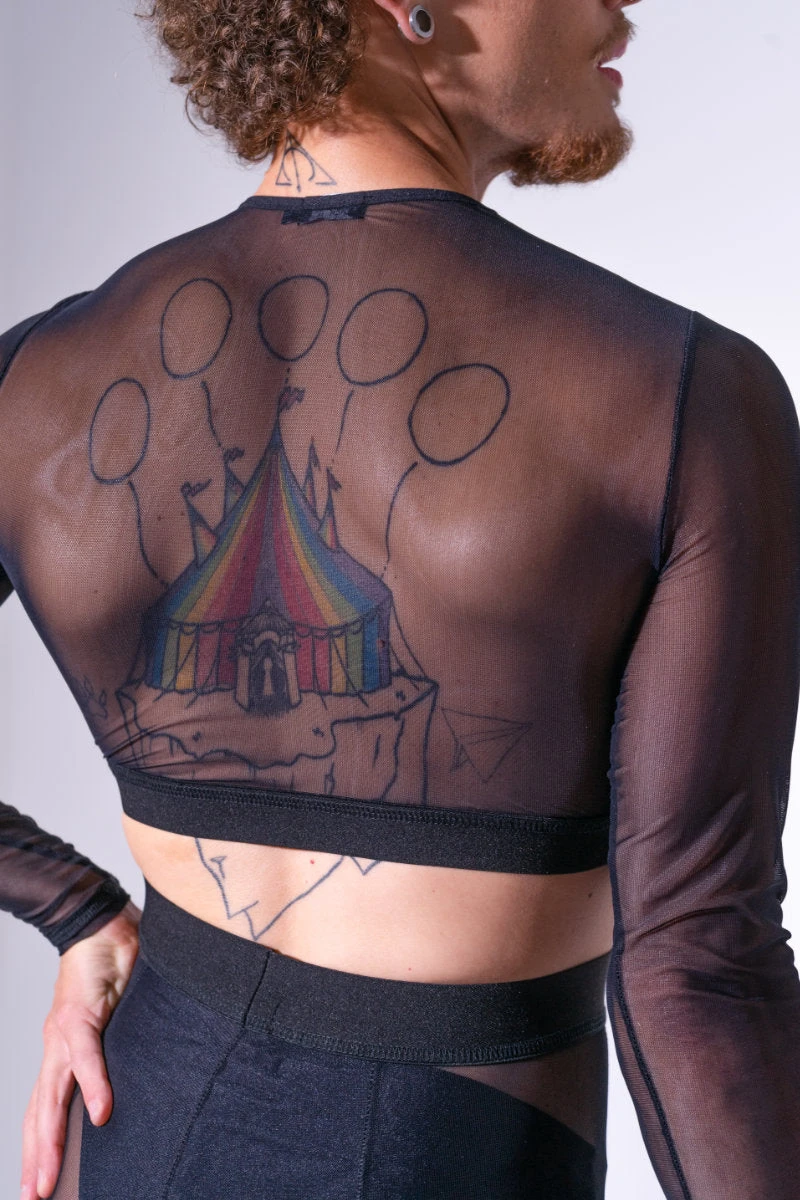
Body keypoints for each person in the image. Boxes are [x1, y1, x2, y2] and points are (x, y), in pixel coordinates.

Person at [4, 0, 800, 1195]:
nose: (617, 7)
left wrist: (74, 910)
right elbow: (694, 967)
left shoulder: (36, 375)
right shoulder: (671, 394)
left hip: (140, 1121)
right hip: (456, 1151)